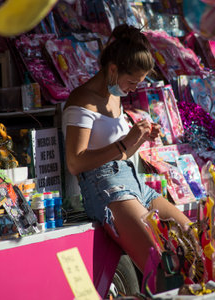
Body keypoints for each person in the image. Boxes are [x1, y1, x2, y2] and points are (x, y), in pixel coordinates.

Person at [62, 24, 190, 272]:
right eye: (132, 81)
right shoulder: (82, 100)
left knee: (192, 239)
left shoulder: (115, 96)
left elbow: (122, 155)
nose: (133, 89)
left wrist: (139, 139)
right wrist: (125, 141)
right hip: (107, 189)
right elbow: (75, 162)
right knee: (161, 267)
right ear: (113, 69)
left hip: (133, 182)